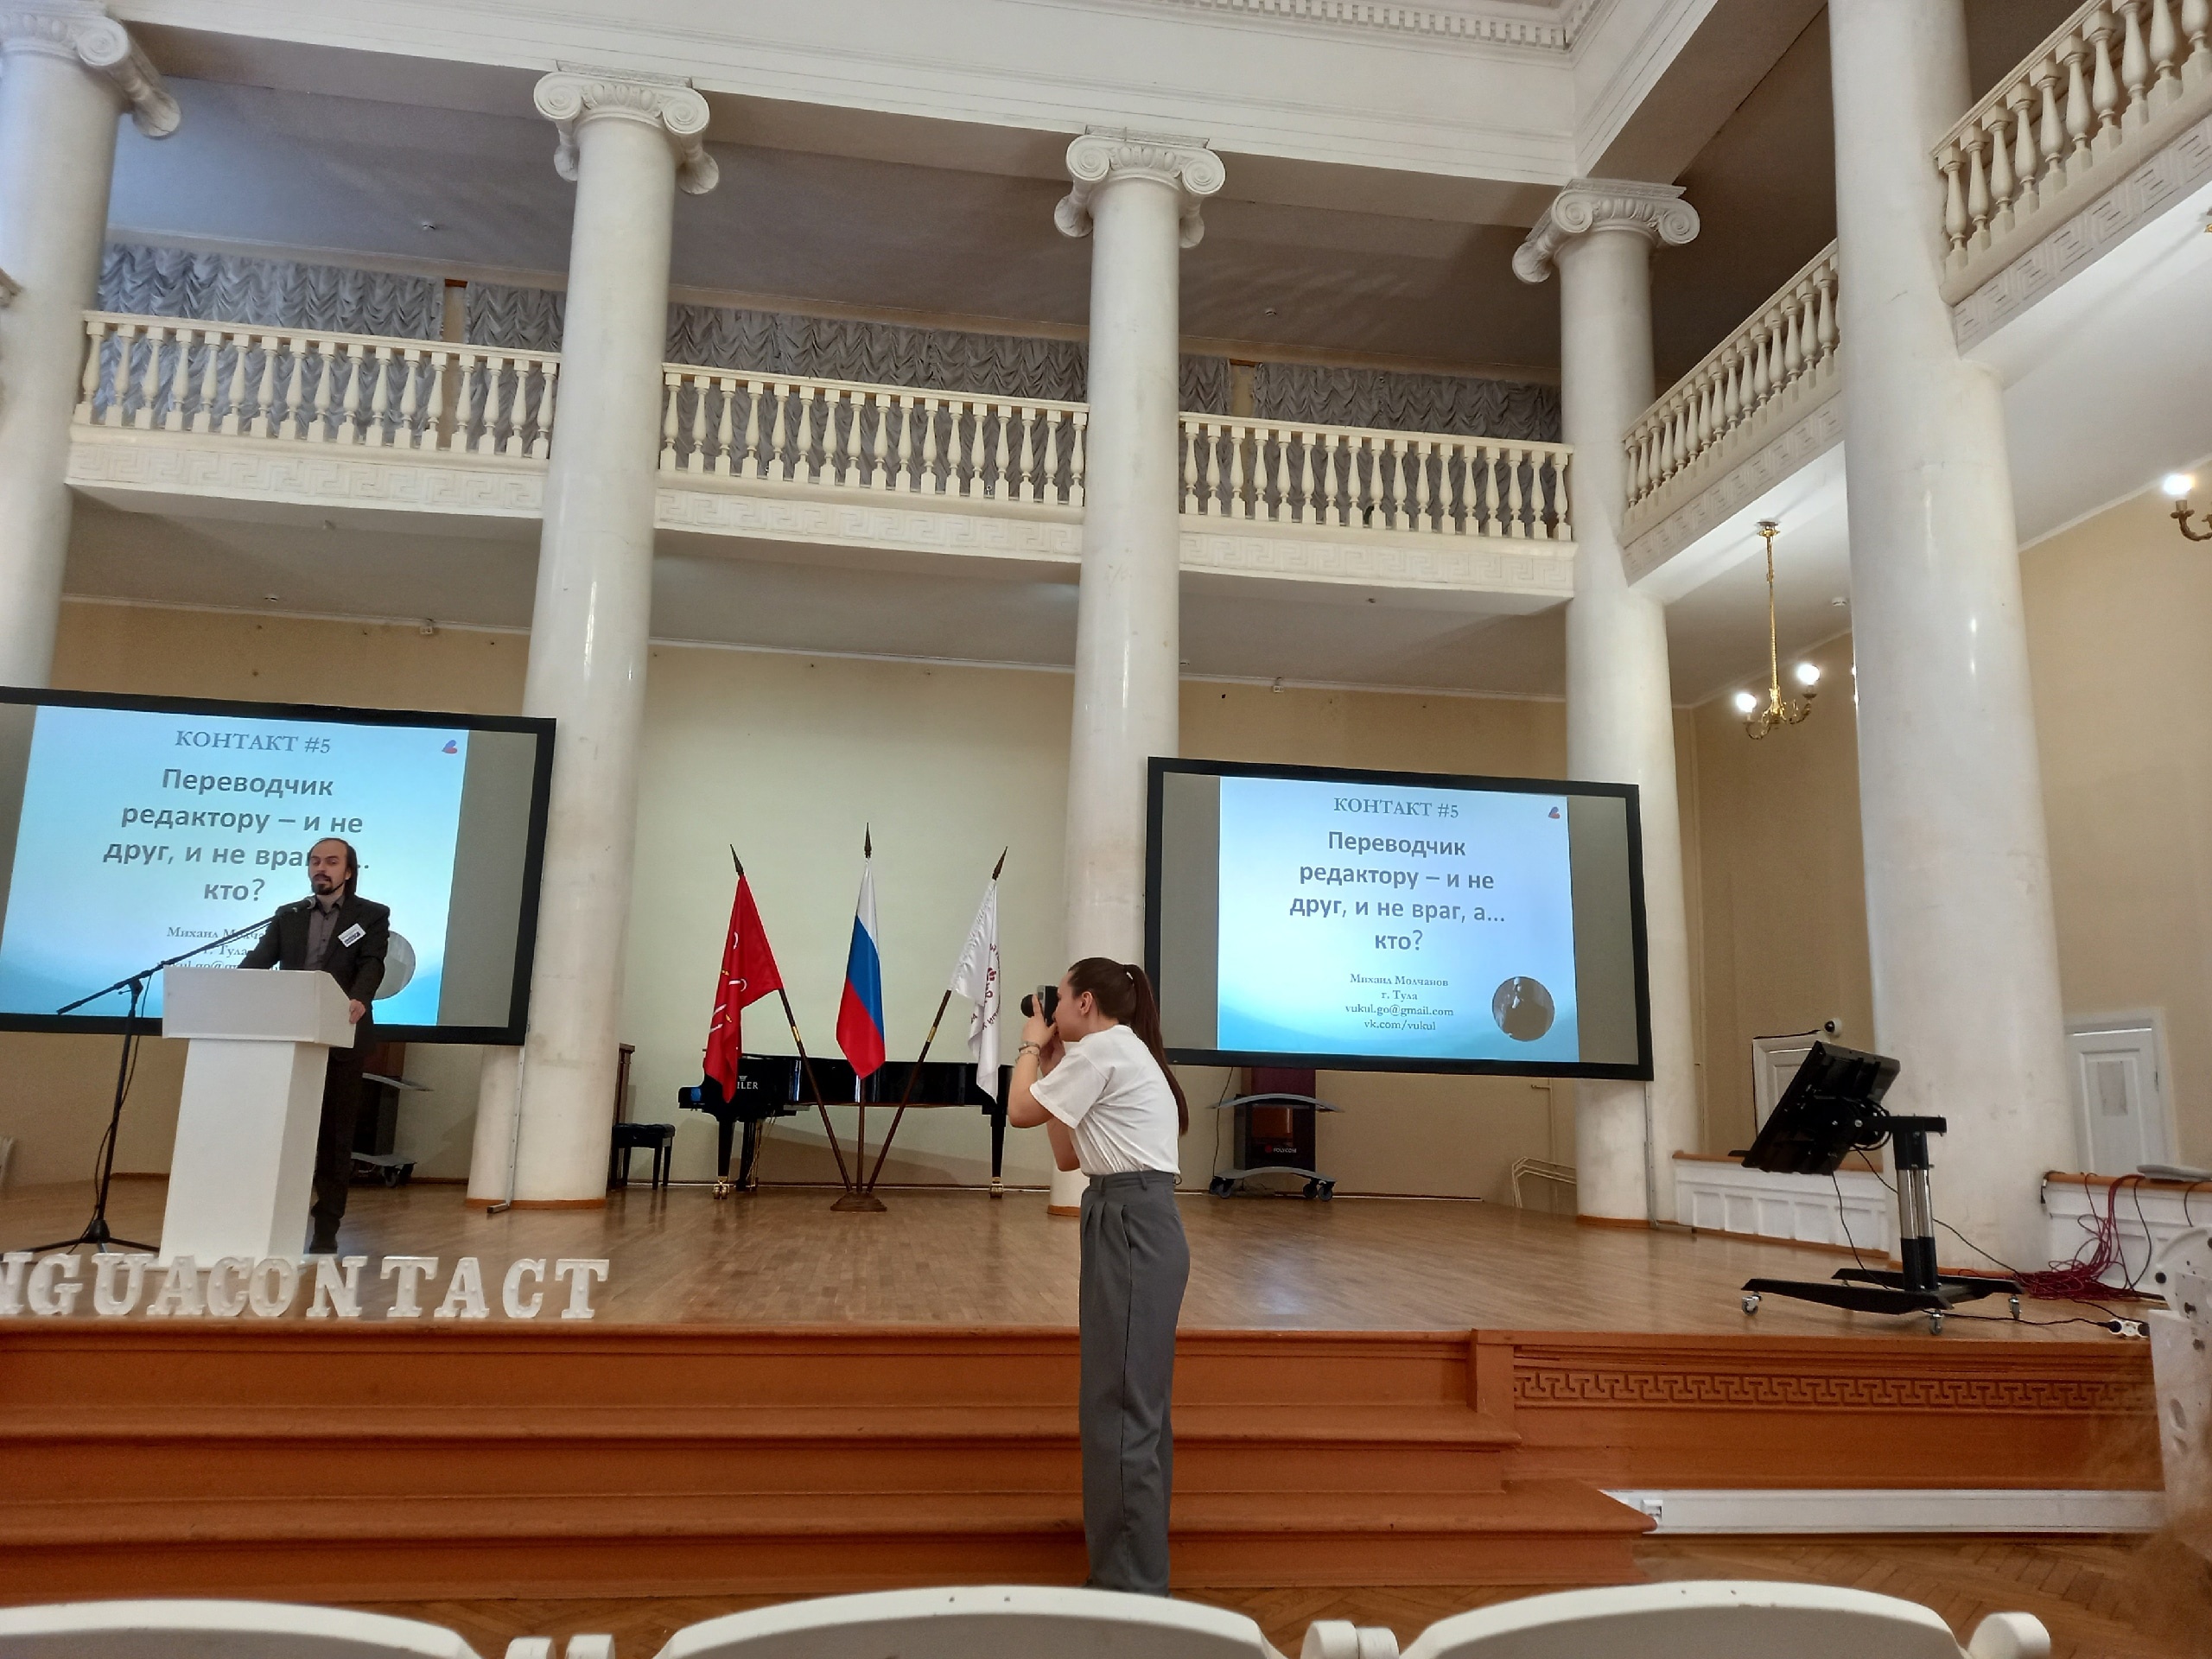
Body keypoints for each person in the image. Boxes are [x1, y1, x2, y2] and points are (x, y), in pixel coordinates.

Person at [1007, 958, 1191, 1596]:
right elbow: (1066, 1154)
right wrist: (1054, 1064)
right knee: (1126, 1408)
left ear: (1085, 1002)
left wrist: (1029, 1048)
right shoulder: (1111, 1052)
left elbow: (1019, 1112)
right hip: (1127, 1218)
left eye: (1058, 999)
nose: (1052, 1010)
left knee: (1122, 1412)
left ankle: (1131, 1591)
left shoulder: (1106, 1049)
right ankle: (1133, 1578)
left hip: (1131, 1224)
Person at [239, 836, 390, 1254]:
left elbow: (372, 963)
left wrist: (360, 997)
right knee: (285, 1131)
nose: (321, 868)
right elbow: (260, 960)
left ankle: (327, 1226)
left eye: (331, 861)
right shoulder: (289, 915)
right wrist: (228, 984)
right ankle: (275, 1217)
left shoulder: (371, 915)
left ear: (349, 871)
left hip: (343, 1034)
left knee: (335, 1135)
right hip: (291, 1037)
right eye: (314, 861)